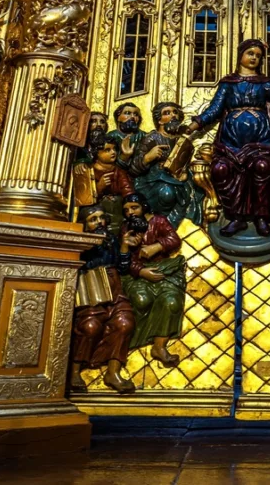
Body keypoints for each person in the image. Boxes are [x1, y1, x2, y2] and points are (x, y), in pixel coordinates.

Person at [187, 38, 270, 238]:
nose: (254, 58)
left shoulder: (263, 83)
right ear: (240, 55)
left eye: (258, 56)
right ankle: (236, 216)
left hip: (261, 140)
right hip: (231, 141)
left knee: (262, 167)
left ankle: (261, 216)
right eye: (250, 53)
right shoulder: (228, 83)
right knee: (221, 169)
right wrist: (194, 125)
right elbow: (215, 109)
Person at [70, 205, 136, 395]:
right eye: (93, 220)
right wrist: (89, 245)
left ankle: (113, 373)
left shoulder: (111, 239)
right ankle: (74, 372)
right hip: (91, 285)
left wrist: (124, 246)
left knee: (125, 323)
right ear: (84, 224)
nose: (99, 222)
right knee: (90, 326)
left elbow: (122, 267)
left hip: (114, 285)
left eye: (101, 218)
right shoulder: (80, 242)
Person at [120, 193, 186, 368]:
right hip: (138, 274)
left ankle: (159, 346)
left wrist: (156, 246)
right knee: (142, 300)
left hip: (162, 269)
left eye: (134, 208)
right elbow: (124, 260)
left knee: (171, 301)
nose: (130, 212)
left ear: (144, 207)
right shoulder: (126, 228)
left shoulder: (158, 221)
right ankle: (129, 344)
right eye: (126, 210)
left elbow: (174, 239)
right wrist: (141, 271)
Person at [132, 102, 204, 228]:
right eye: (167, 113)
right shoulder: (152, 138)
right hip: (153, 179)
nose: (173, 115)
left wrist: (184, 172)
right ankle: (161, 225)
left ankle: (176, 227)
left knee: (196, 192)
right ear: (159, 120)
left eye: (175, 112)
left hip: (177, 178)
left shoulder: (181, 140)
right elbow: (134, 168)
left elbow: (184, 163)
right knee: (167, 193)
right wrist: (148, 157)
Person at [73, 139, 135, 232]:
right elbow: (83, 199)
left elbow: (128, 191)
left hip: (116, 214)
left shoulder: (118, 172)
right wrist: (99, 187)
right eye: (107, 150)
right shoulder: (88, 170)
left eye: (114, 149)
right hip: (96, 215)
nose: (113, 152)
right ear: (97, 153)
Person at [106, 102, 147, 175]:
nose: (132, 117)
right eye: (127, 113)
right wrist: (124, 156)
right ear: (118, 117)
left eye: (136, 114)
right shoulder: (111, 136)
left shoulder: (144, 136)